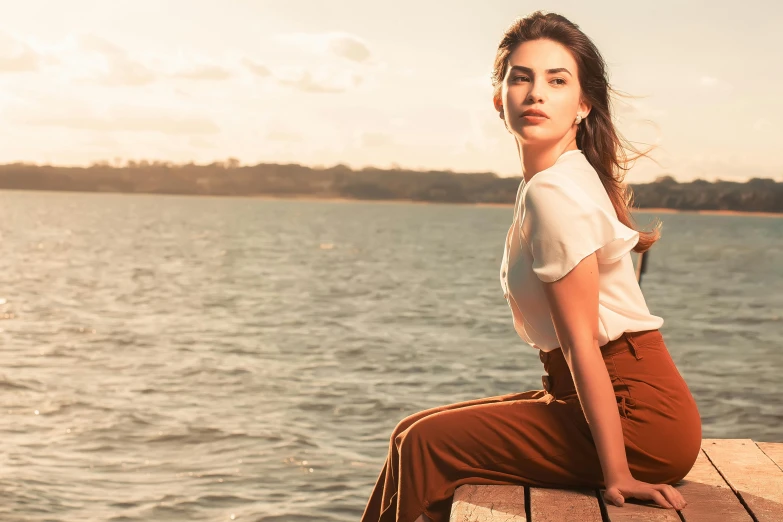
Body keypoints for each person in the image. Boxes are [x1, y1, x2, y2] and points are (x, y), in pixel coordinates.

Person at [361, 10, 702, 522]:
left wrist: (617, 475)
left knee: (426, 445)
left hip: (637, 417)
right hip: (610, 400)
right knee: (411, 431)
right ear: (499, 100)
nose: (536, 92)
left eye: (556, 80)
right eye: (521, 77)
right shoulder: (557, 178)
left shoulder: (553, 191)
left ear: (583, 104)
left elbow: (582, 343)